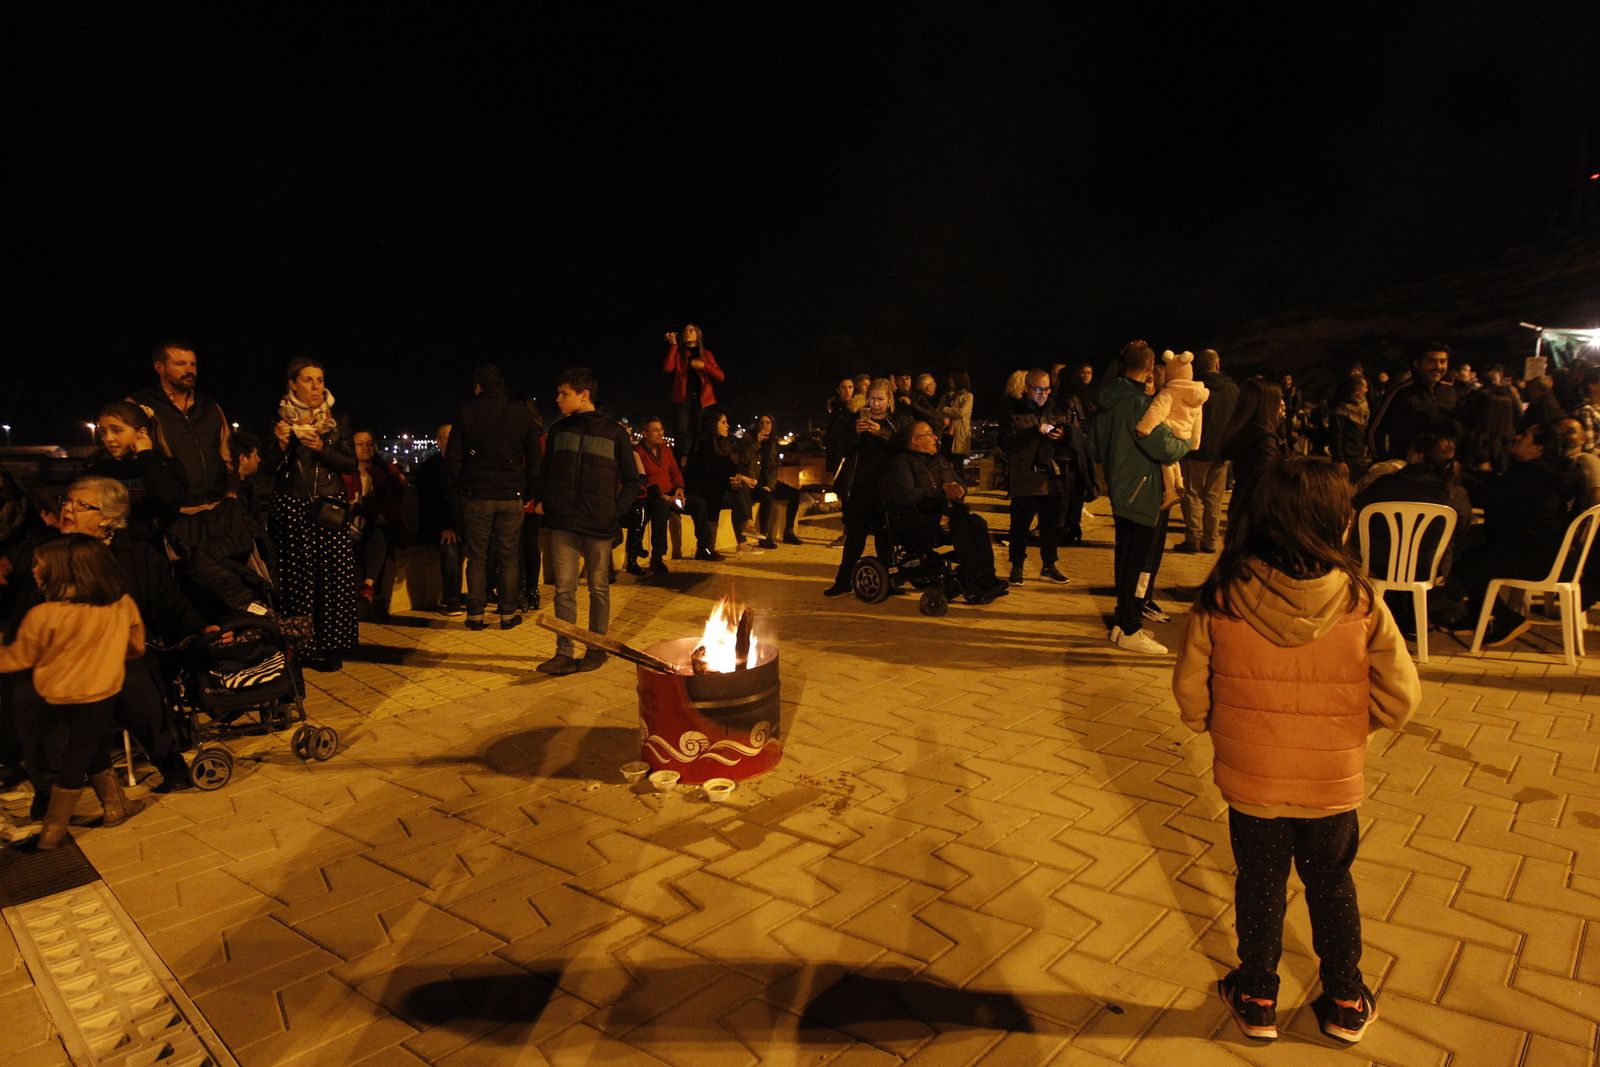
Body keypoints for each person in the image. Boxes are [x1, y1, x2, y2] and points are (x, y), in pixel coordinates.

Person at [1173, 457, 1420, 1045]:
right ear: (1337, 521)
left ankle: (1257, 996)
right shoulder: (1360, 599)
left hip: (1252, 777)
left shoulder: (1224, 594)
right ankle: (1345, 998)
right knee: (1331, 883)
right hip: (1331, 778)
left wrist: (1208, 724)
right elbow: (1402, 696)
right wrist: (1355, 730)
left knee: (1259, 882)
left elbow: (1189, 686)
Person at [0, 535, 149, 849]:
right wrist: (106, 656)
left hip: (58, 696)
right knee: (83, 751)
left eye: (39, 565)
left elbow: (17, 659)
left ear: (61, 571)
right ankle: (83, 818)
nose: (33, 571)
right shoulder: (121, 603)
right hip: (101, 692)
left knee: (83, 752)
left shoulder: (44, 615)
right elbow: (136, 646)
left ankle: (86, 816)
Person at [535, 367, 641, 675]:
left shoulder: (614, 433)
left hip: (599, 523)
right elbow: (545, 473)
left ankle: (596, 649)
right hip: (563, 522)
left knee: (598, 589)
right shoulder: (558, 431)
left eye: (564, 393)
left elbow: (633, 481)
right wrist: (547, 503)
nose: (558, 399)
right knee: (564, 590)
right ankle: (564, 653)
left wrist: (613, 510)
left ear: (584, 395)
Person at [1091, 341, 1192, 654]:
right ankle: (1131, 627)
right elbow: (1165, 448)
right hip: (1142, 490)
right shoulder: (1138, 403)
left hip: (1121, 488)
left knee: (1124, 558)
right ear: (1150, 369)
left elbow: (1094, 447)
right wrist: (1185, 442)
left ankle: (1122, 623)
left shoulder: (1107, 399)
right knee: (1140, 564)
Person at [263, 357, 358, 670]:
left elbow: (349, 463)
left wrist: (321, 447)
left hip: (328, 505)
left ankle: (332, 647)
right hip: (291, 504)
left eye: (320, 379)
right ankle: (299, 647)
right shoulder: (279, 419)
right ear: (292, 384)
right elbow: (265, 469)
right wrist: (280, 445)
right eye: (308, 380)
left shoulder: (337, 419)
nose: (316, 386)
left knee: (333, 578)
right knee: (296, 577)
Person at [446, 365, 542, 632]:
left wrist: (460, 486)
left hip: (477, 495)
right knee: (509, 555)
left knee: (477, 557)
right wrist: (530, 490)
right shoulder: (521, 413)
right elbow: (535, 457)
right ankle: (507, 614)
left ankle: (475, 614)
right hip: (511, 494)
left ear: (478, 386)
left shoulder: (466, 413)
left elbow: (454, 458)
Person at [882, 421, 1006, 603]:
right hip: (912, 519)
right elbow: (905, 496)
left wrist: (960, 490)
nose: (935, 438)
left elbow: (959, 484)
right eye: (929, 434)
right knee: (962, 526)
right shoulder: (901, 462)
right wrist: (941, 492)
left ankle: (987, 578)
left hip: (940, 514)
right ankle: (970, 582)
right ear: (915, 440)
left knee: (977, 522)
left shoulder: (939, 460)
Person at [127, 342, 232, 509]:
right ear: (159, 367)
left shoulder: (209, 405)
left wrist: (231, 492)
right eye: (180, 363)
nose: (190, 370)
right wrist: (140, 508)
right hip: (172, 511)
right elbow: (129, 462)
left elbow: (227, 451)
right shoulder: (139, 405)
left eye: (193, 364)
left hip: (216, 506)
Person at [824, 379, 901, 596]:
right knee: (855, 539)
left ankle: (889, 582)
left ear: (888, 399)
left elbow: (901, 447)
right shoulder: (856, 418)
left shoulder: (896, 421)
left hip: (886, 491)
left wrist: (881, 433)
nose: (875, 404)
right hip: (859, 488)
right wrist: (856, 434)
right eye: (872, 399)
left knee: (884, 539)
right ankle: (843, 582)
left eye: (880, 399)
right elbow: (842, 448)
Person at [1001, 369, 1070, 585]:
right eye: (1038, 389)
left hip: (1051, 476)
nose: (1043, 394)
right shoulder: (1013, 411)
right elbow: (1006, 443)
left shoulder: (1056, 410)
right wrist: (1035, 431)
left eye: (1046, 389)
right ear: (1026, 388)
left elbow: (1073, 439)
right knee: (1020, 525)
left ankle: (1049, 565)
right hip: (1024, 476)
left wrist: (1063, 436)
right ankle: (1017, 565)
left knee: (1050, 525)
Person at [89, 400, 187, 539]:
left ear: (141, 433)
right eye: (103, 432)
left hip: (151, 544)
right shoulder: (99, 469)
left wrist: (146, 454)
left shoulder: (167, 466)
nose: (108, 438)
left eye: (117, 431)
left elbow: (166, 501)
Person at [1177, 349, 1239, 552]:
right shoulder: (1232, 390)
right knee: (1214, 498)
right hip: (1221, 452)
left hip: (1195, 450)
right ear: (1217, 365)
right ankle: (1211, 540)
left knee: (1192, 495)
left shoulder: (1193, 387)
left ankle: (1193, 538)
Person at [628, 415, 706, 574]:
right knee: (661, 507)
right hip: (652, 497)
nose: (660, 434)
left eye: (661, 430)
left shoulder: (665, 450)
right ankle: (657, 557)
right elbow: (641, 481)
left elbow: (675, 471)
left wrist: (679, 488)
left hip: (671, 494)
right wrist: (666, 498)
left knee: (698, 503)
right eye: (655, 431)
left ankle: (703, 547)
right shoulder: (638, 452)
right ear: (645, 433)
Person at [343, 430, 410, 614]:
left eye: (369, 443)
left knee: (377, 536)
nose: (366, 448)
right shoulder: (345, 473)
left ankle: (368, 588)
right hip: (349, 528)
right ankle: (369, 593)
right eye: (360, 444)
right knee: (359, 547)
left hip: (377, 527)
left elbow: (394, 502)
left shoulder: (384, 472)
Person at [1136, 350, 1209, 513]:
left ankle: (1170, 492)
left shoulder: (1170, 393)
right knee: (1174, 459)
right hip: (1185, 437)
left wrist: (1143, 428)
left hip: (1169, 432)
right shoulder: (1198, 396)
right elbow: (1198, 422)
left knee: (1166, 460)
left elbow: (1156, 412)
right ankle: (1179, 482)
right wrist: (1194, 443)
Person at [1368, 343, 1461, 461]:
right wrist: (1384, 462)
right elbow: (1375, 431)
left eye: (1443, 361)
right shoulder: (1399, 393)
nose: (1438, 366)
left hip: (1443, 465)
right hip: (1408, 466)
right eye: (1431, 361)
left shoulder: (1450, 392)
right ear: (1417, 363)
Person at [414, 424, 465, 616]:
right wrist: (443, 527)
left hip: (462, 525)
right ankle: (452, 601)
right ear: (439, 442)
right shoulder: (429, 469)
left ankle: (482, 595)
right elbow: (428, 504)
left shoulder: (465, 466)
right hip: (436, 526)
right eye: (448, 437)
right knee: (450, 548)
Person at [1219, 379, 1286, 518]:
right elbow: (1267, 483)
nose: (1283, 403)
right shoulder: (1265, 440)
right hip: (1258, 514)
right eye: (1279, 399)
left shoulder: (1248, 431)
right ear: (1266, 404)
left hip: (1241, 507)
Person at [684, 411, 745, 560]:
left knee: (739, 491)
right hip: (700, 490)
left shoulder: (720, 443)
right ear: (713, 425)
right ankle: (707, 548)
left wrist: (737, 478)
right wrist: (737, 477)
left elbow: (727, 466)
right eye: (723, 422)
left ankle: (744, 531)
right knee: (719, 496)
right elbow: (714, 469)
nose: (727, 425)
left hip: (714, 489)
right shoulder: (704, 443)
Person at [737, 414, 803, 549]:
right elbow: (744, 459)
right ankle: (764, 536)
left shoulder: (773, 442)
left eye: (768, 423)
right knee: (767, 497)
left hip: (767, 483)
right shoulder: (748, 438)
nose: (764, 426)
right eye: (761, 423)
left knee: (794, 494)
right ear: (757, 425)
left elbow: (773, 468)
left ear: (772, 425)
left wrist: (770, 485)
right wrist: (756, 442)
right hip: (752, 483)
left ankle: (789, 532)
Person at [662, 324, 724, 461]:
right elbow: (667, 368)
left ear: (698, 334)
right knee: (680, 434)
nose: (687, 332)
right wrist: (673, 345)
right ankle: (677, 466)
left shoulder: (706, 354)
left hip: (703, 399)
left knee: (700, 434)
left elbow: (720, 377)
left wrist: (704, 366)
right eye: (685, 330)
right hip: (683, 398)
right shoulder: (679, 354)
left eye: (691, 330)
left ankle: (698, 465)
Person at [1326, 373, 1373, 483]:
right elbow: (1336, 436)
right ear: (1356, 390)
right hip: (1346, 460)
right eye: (1364, 387)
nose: (1367, 390)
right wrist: (1339, 460)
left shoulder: (1363, 408)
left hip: (1358, 457)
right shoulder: (1341, 410)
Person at [936, 371, 973, 469]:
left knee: (958, 466)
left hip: (959, 435)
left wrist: (946, 409)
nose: (949, 380)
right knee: (945, 466)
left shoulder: (968, 396)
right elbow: (938, 411)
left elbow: (962, 412)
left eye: (951, 378)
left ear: (958, 380)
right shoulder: (946, 396)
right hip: (946, 433)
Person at [824, 378, 858, 477]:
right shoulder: (835, 408)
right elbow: (832, 430)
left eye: (850, 387)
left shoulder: (857, 409)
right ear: (838, 390)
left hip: (850, 454)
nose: (847, 390)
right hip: (835, 454)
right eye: (844, 387)